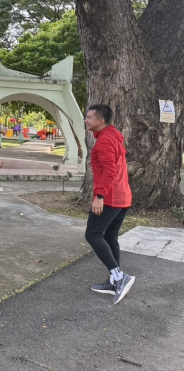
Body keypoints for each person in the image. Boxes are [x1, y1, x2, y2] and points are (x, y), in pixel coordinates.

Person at [84, 104, 134, 305]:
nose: (86, 120)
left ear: (101, 121)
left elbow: (110, 171)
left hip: (110, 198)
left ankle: (120, 277)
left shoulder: (104, 140)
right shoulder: (113, 136)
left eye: (89, 117)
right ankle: (114, 281)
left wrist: (100, 196)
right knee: (110, 236)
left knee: (93, 234)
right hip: (123, 196)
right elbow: (114, 163)